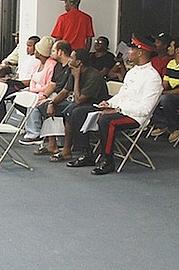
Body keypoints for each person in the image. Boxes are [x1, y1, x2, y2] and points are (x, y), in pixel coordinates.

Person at [66, 35, 163, 175]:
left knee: (106, 120)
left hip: (134, 117)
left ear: (140, 53)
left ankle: (107, 160)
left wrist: (117, 108)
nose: (128, 52)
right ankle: (86, 153)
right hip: (119, 110)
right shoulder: (132, 72)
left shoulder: (152, 77)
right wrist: (109, 103)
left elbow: (145, 109)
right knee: (79, 111)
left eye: (131, 50)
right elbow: (122, 95)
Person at [45, 48, 109, 162]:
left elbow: (79, 100)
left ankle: (73, 150)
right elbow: (65, 91)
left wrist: (77, 78)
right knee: (47, 106)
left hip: (97, 105)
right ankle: (53, 144)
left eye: (72, 58)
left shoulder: (93, 76)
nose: (69, 60)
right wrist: (51, 103)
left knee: (74, 111)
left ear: (79, 62)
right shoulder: (74, 71)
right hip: (81, 103)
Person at [19, 40, 72, 145]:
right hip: (55, 94)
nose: (51, 54)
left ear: (60, 52)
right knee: (38, 101)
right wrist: (44, 95)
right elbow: (52, 84)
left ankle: (37, 135)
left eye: (53, 51)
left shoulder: (71, 67)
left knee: (44, 105)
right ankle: (44, 137)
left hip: (66, 97)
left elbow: (66, 90)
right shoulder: (58, 66)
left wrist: (51, 101)